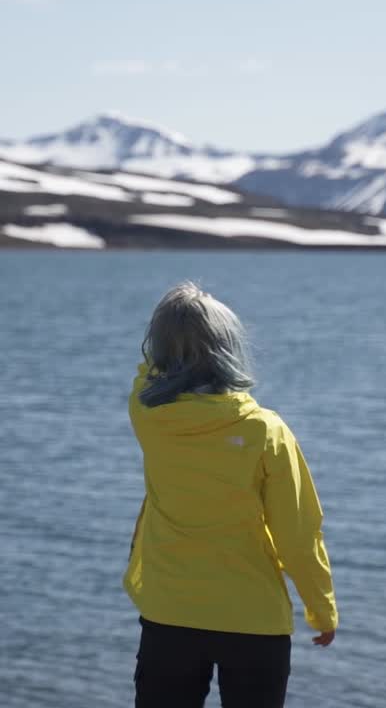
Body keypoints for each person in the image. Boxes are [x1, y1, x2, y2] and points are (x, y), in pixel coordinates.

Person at [124, 281, 338, 708]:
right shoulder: (265, 431)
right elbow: (298, 533)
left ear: (158, 347)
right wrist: (320, 608)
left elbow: (148, 371)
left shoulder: (148, 417)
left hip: (170, 613)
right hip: (253, 621)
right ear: (229, 346)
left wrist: (174, 323)